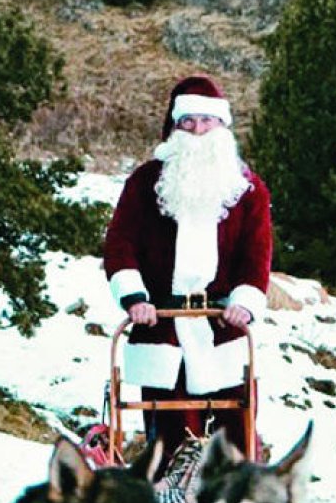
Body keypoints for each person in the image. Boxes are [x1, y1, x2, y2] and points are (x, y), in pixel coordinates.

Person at [103, 74, 272, 465]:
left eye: (207, 121)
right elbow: (120, 244)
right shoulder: (146, 183)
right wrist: (134, 298)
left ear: (222, 126)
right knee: (171, 436)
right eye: (188, 122)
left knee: (234, 433)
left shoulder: (247, 190)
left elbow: (256, 253)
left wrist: (244, 303)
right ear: (174, 126)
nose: (197, 131)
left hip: (220, 324)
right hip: (161, 322)